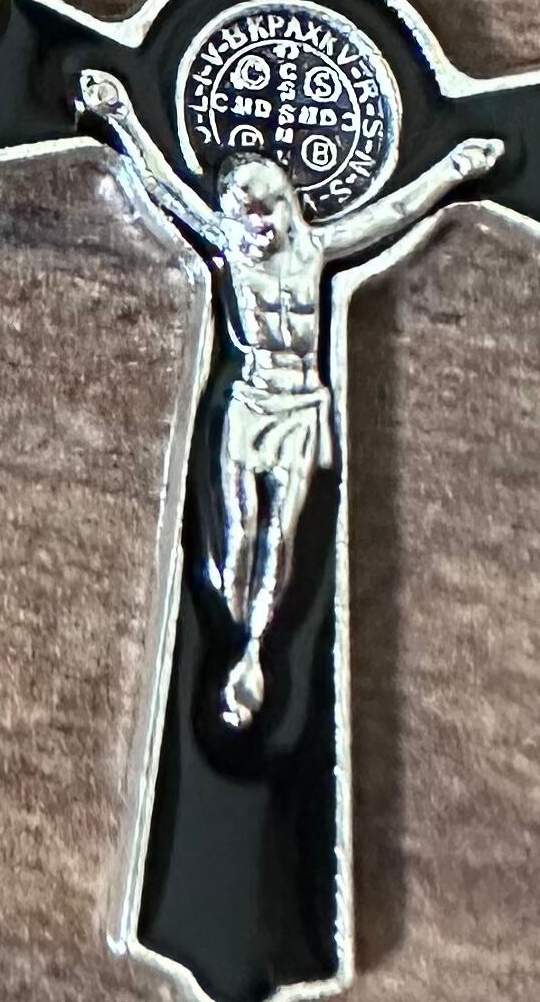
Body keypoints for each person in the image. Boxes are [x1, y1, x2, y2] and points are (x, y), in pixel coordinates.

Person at [75, 66, 503, 726]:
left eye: (265, 208)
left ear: (287, 204)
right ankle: (226, 632)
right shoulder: (228, 247)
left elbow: (394, 212)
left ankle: (252, 653)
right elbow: (163, 188)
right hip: (250, 400)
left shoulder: (316, 251)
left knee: (281, 533)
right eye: (240, 212)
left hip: (302, 407)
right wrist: (120, 117)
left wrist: (453, 171)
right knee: (238, 535)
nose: (254, 224)